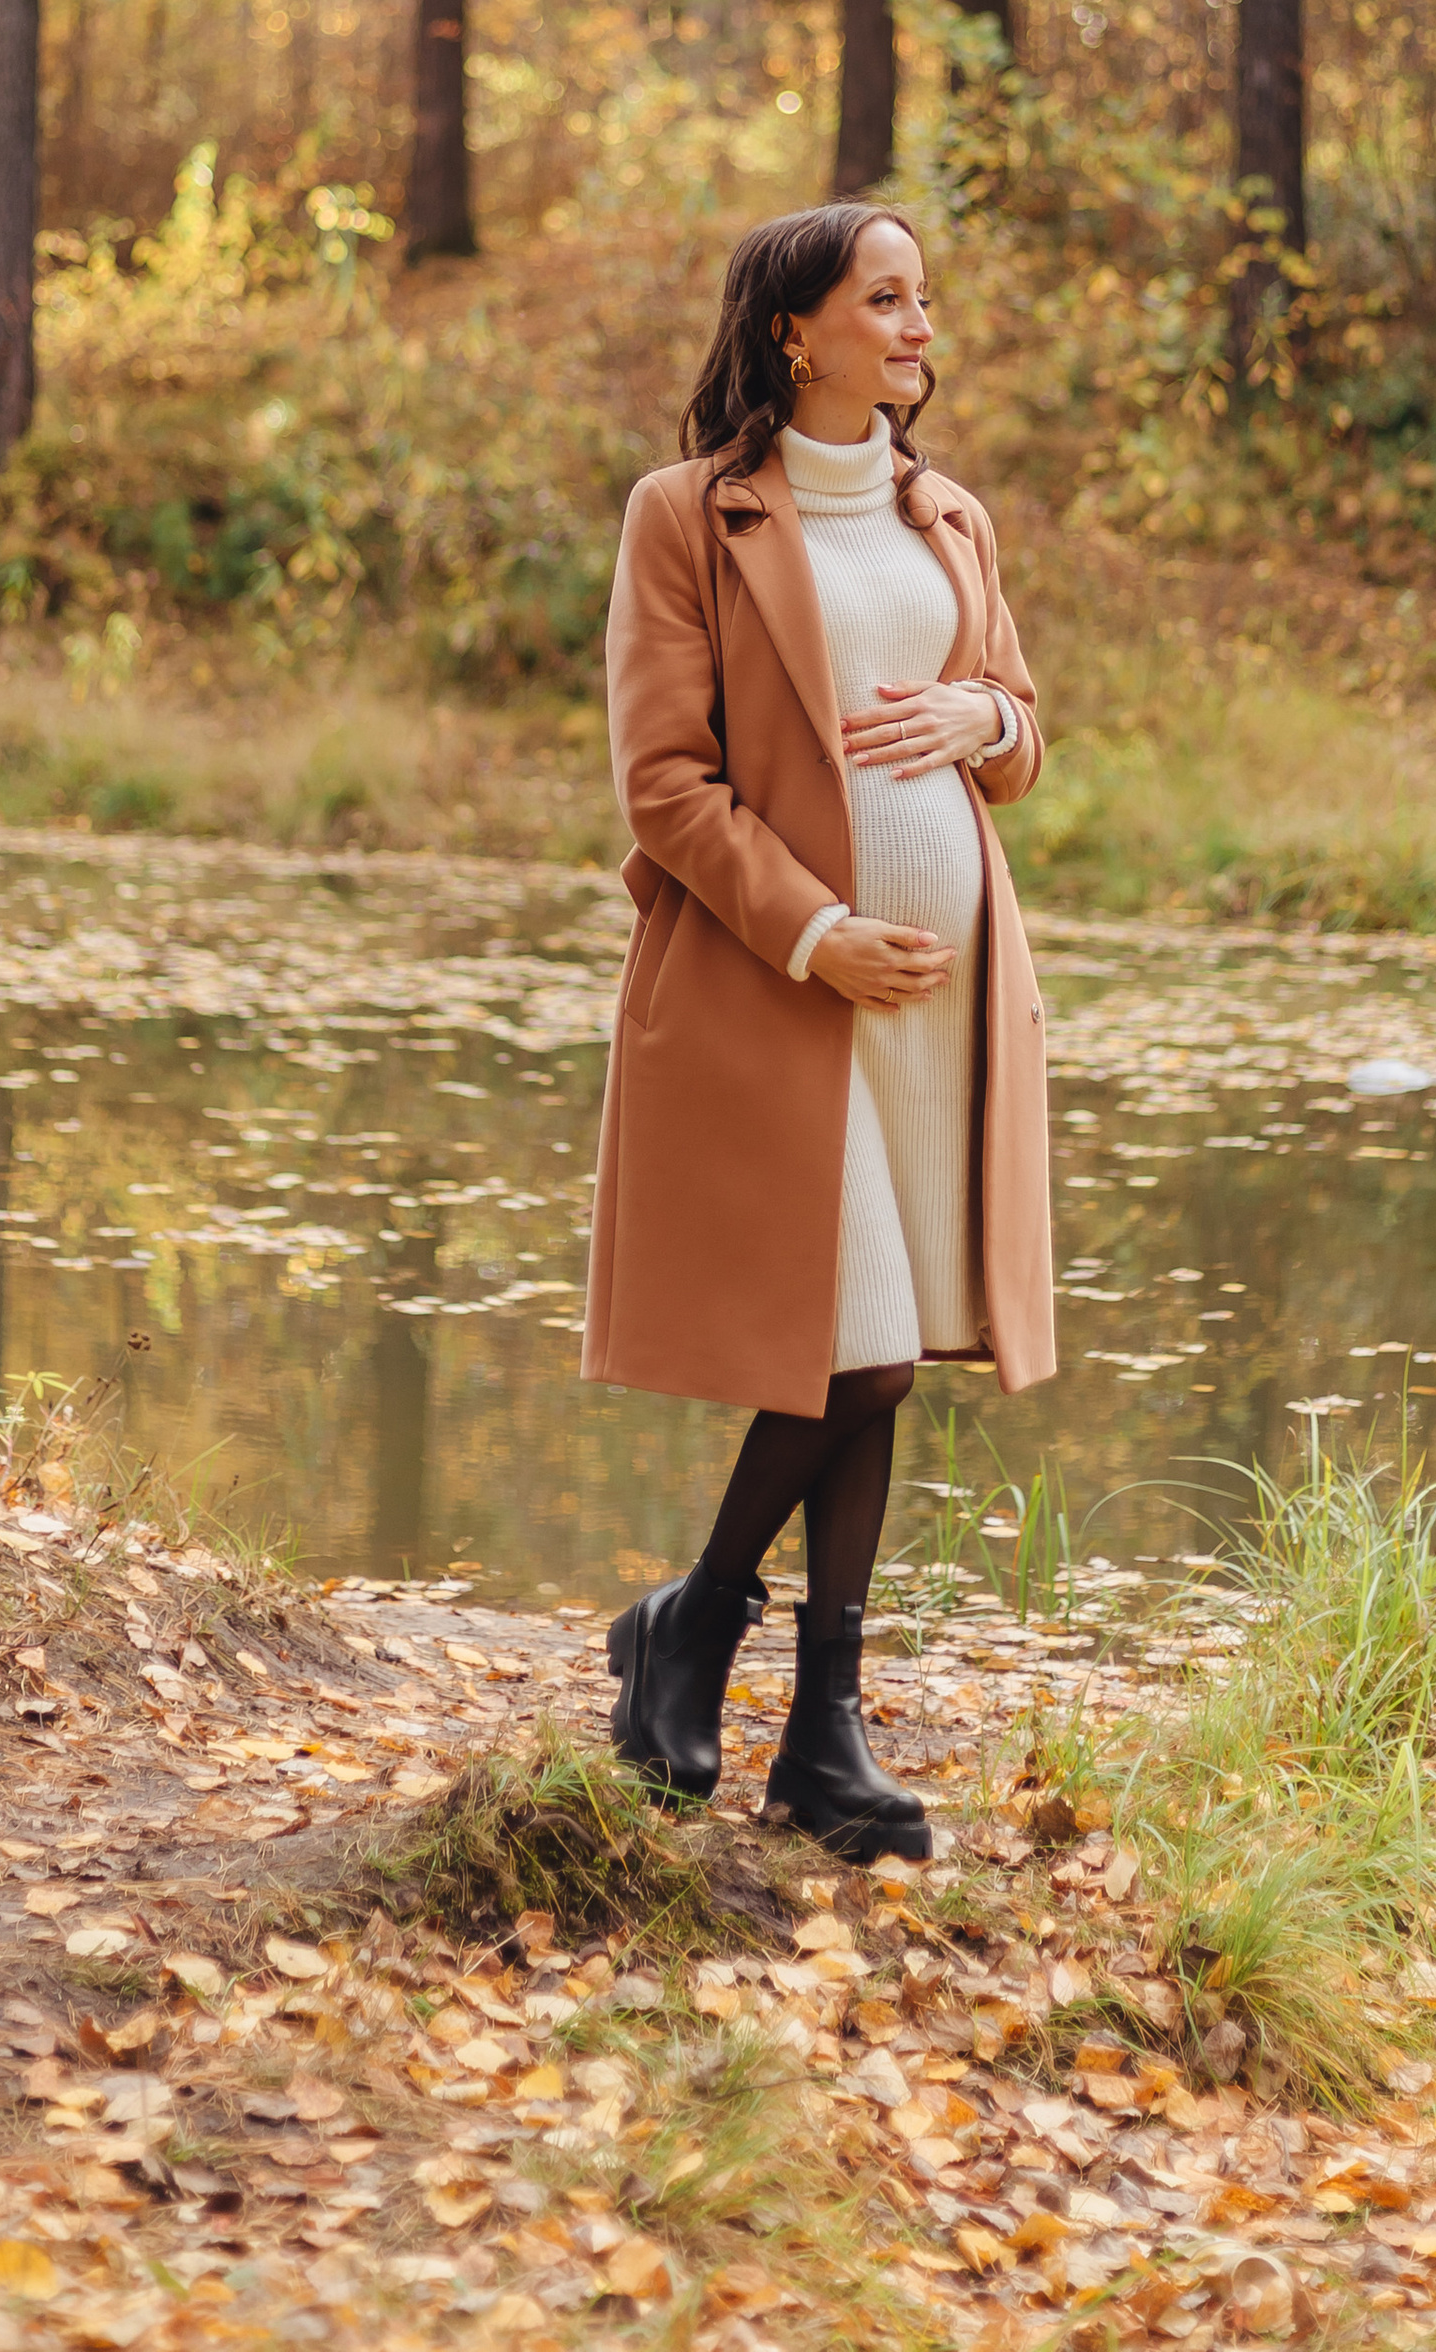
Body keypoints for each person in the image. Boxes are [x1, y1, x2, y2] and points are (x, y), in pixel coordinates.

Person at [582, 201, 1054, 1861]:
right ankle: (698, 1626)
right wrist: (816, 932)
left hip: (948, 994)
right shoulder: (687, 518)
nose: (923, 325)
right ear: (801, 330)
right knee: (846, 1346)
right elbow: (664, 786)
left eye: (925, 298)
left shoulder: (950, 518)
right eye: (889, 297)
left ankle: (821, 1736)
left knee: (887, 1352)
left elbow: (1016, 736)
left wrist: (980, 712)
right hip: (781, 993)